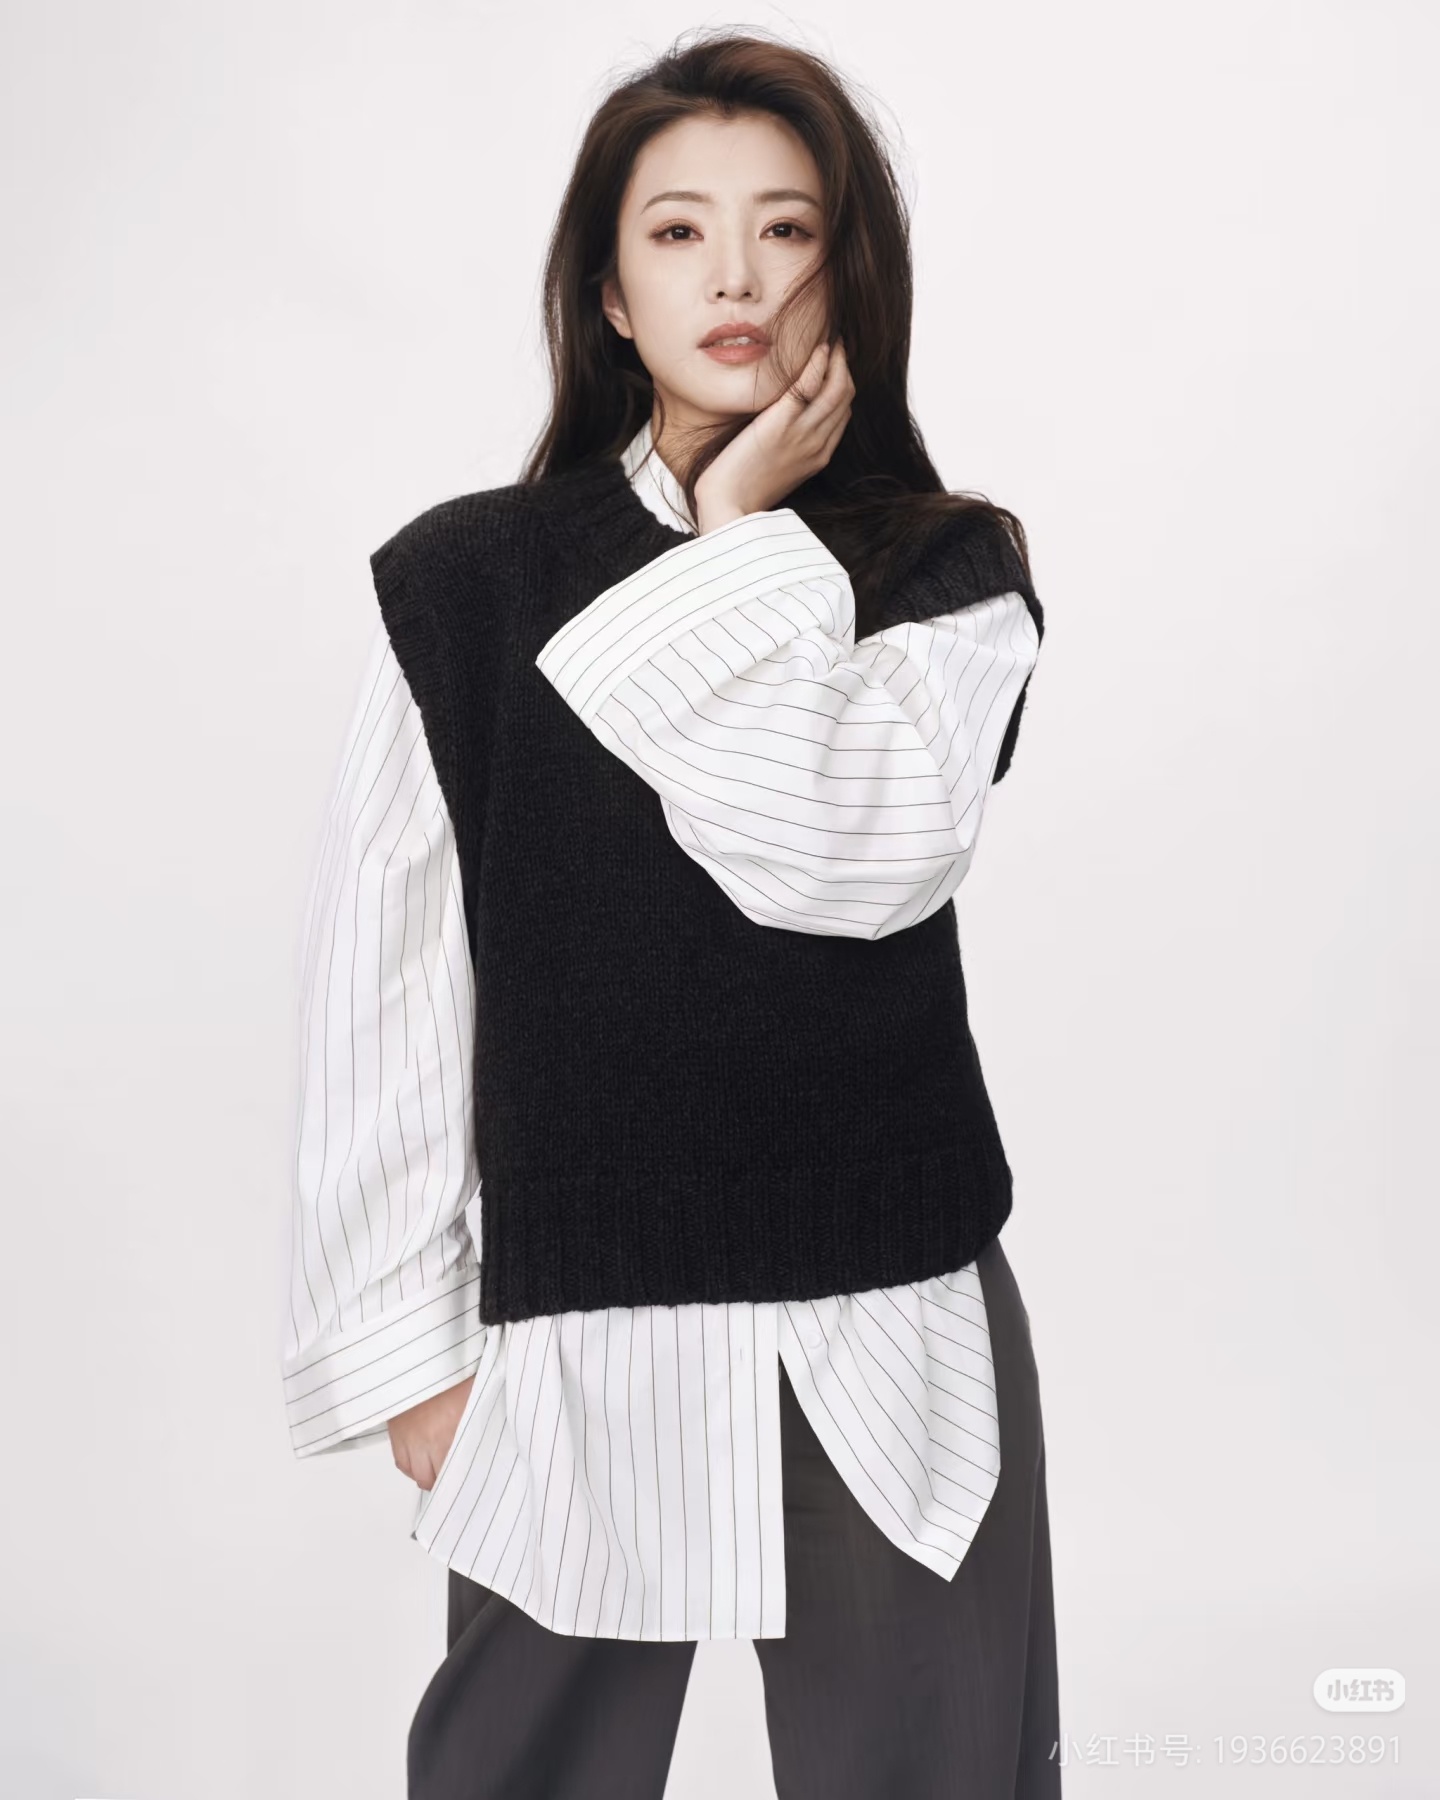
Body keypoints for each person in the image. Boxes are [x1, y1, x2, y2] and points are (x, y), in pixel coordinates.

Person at [281, 27, 1058, 1799]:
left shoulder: (949, 570)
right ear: (609, 295)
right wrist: (408, 1352)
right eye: (680, 232)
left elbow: (849, 850)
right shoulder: (464, 585)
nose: (737, 278)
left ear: (845, 274)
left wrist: (730, 534)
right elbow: (386, 975)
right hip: (569, 1324)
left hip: (888, 1319)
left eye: (787, 230)